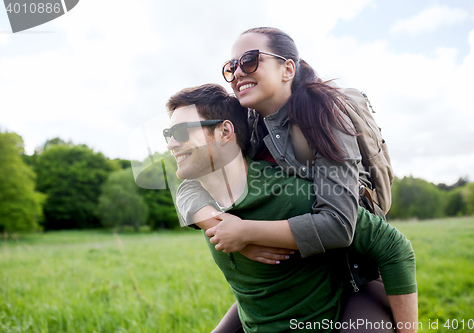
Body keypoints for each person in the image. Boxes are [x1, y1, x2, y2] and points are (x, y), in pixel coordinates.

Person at [165, 84, 417, 333]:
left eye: (181, 131)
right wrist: (230, 231)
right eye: (168, 133)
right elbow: (184, 192)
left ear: (224, 131)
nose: (171, 144)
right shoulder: (200, 198)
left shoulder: (293, 195)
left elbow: (395, 248)